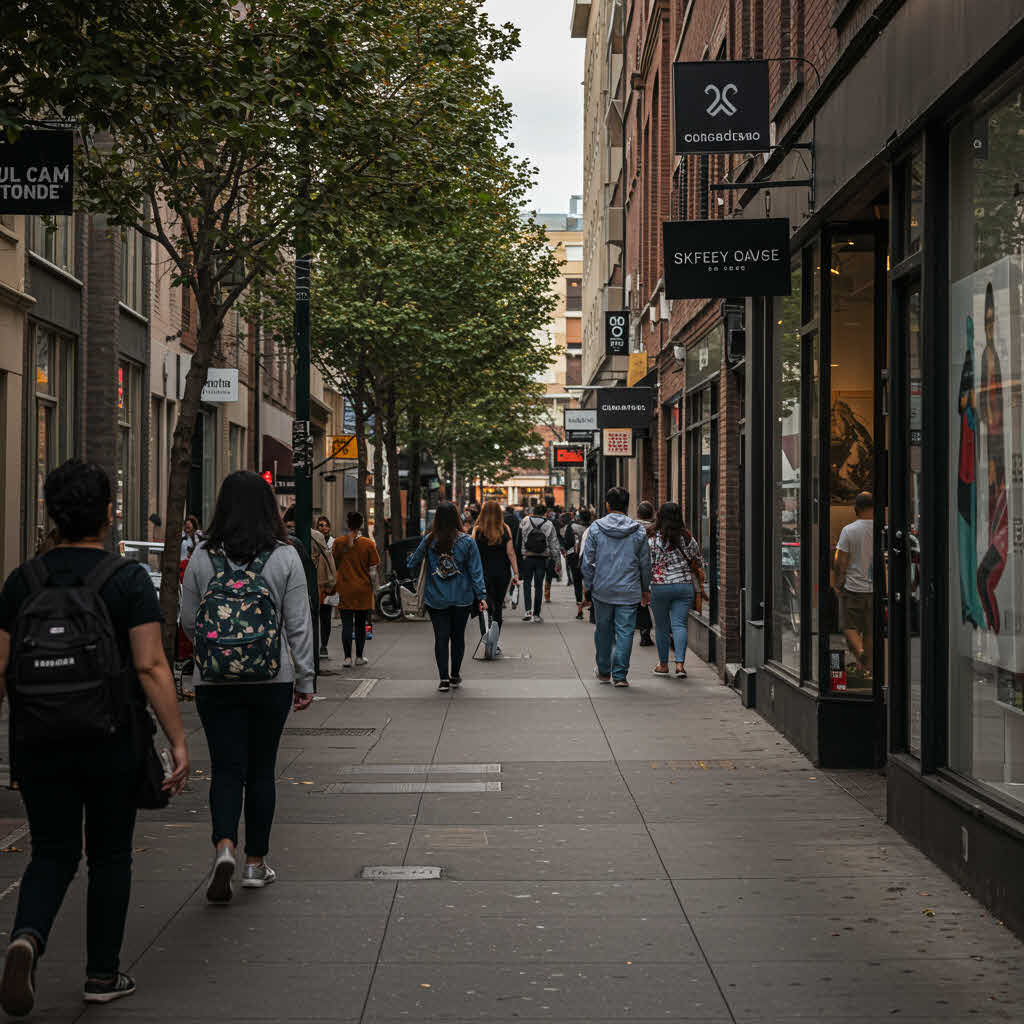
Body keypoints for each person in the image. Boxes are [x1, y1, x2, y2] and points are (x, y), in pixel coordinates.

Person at [0, 459, 189, 1012]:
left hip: (38, 740)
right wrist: (177, 740)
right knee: (110, 854)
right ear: (109, 513)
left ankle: (26, 936)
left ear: (51, 513)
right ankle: (102, 975)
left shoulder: (22, 581)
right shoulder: (125, 580)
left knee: (51, 850)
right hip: (111, 738)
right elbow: (151, 665)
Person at [181, 471, 315, 904]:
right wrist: (305, 679)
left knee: (225, 768)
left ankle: (225, 845)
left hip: (214, 680)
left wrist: (215, 649)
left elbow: (189, 620)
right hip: (270, 678)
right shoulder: (285, 556)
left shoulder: (202, 555)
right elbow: (299, 623)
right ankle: (255, 863)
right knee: (261, 770)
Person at [409, 502, 487, 692]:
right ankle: (455, 674)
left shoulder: (429, 540)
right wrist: (481, 595)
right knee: (458, 637)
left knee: (441, 637)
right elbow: (476, 571)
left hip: (436, 598)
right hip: (462, 598)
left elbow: (413, 562)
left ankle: (443, 678)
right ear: (456, 518)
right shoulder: (467, 542)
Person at [581, 487, 651, 687]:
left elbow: (588, 561)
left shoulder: (595, 528)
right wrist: (645, 588)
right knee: (626, 632)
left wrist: (588, 585)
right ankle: (620, 675)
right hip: (629, 590)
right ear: (627, 506)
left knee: (603, 630)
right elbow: (645, 563)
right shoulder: (638, 530)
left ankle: (604, 671)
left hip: (602, 588)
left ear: (607, 505)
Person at [648, 502, 701, 678]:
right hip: (683, 586)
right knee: (679, 625)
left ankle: (663, 665)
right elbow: (697, 558)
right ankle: (679, 665)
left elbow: (647, 562)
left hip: (659, 586)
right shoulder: (687, 537)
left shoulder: (652, 537)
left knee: (661, 627)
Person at [832, 491, 874, 676]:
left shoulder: (849, 530)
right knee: (869, 630)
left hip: (852, 588)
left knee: (848, 627)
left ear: (856, 509)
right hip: (874, 589)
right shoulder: (882, 529)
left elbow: (840, 561)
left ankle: (862, 655)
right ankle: (866, 668)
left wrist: (837, 583)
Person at [332, 512, 380, 668]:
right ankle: (359, 656)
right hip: (363, 589)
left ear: (347, 524)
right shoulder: (368, 544)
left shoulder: (338, 543)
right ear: (362, 524)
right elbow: (373, 571)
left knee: (346, 624)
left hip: (345, 588)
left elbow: (334, 564)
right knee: (360, 624)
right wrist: (374, 588)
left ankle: (347, 658)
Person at [473, 501, 519, 646]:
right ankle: (495, 641)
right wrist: (516, 573)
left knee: (484, 605)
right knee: (498, 606)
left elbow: (472, 554)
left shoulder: (477, 530)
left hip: (482, 574)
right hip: (502, 573)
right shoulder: (505, 529)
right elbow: (510, 552)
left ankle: (486, 637)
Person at [518, 504, 561, 623]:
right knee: (538, 586)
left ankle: (527, 610)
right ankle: (536, 614)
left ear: (533, 511)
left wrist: (519, 557)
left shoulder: (525, 521)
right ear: (545, 513)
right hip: (542, 558)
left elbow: (519, 540)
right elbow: (554, 543)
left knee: (527, 583)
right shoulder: (549, 524)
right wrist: (557, 561)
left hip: (527, 557)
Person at [311, 517, 337, 661]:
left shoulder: (334, 543)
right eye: (321, 525)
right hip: (315, 583)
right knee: (314, 616)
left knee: (326, 617)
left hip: (328, 584)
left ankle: (324, 646)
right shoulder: (312, 541)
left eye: (326, 525)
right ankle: (314, 645)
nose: (324, 528)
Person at [634, 501, 656, 647]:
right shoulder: (658, 528)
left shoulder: (633, 528)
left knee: (641, 603)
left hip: (638, 569)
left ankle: (645, 632)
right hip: (658, 570)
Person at [566, 509, 590, 619]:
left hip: (575, 558)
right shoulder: (593, 527)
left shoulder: (571, 527)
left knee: (577, 582)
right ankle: (590, 603)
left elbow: (567, 543)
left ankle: (579, 607)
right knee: (589, 581)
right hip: (588, 558)